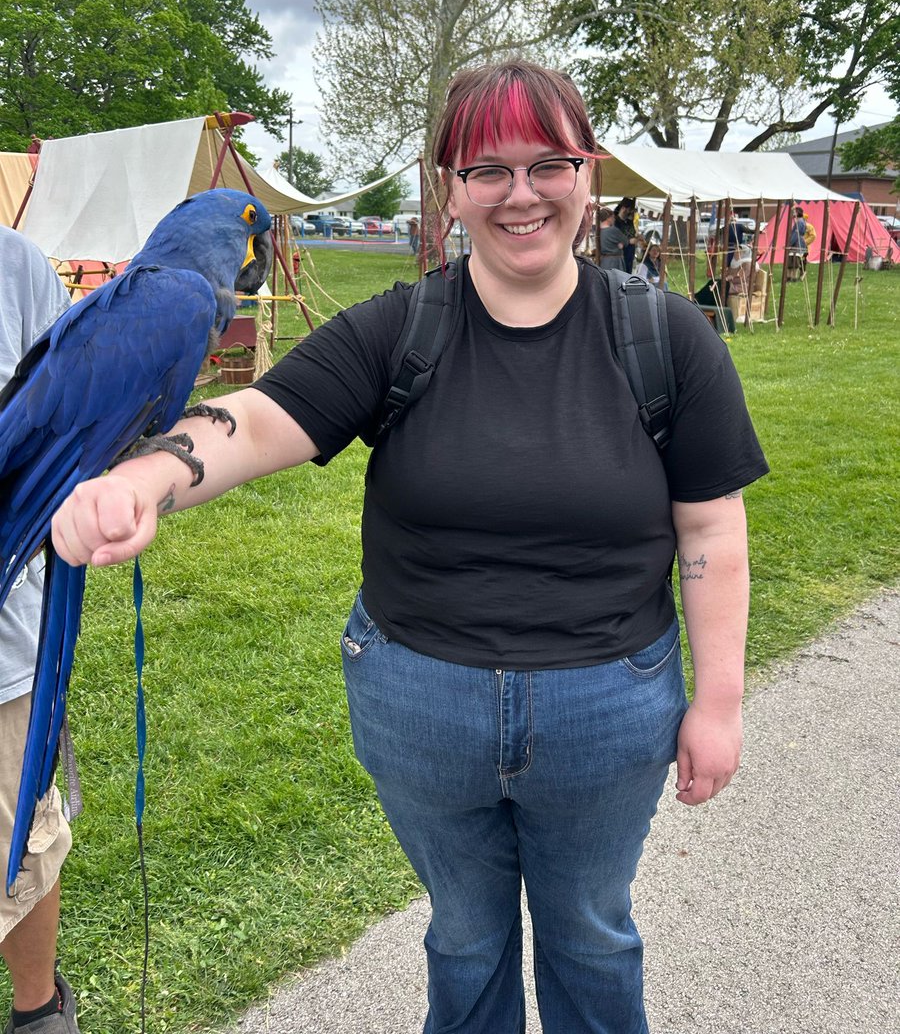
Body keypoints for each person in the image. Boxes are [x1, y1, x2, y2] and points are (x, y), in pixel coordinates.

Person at [51, 61, 768, 1034]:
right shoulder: (403, 328)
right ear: (451, 189)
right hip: (422, 711)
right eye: (488, 170)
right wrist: (145, 478)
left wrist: (718, 703)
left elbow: (712, 529)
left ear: (587, 173)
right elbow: (259, 421)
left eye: (547, 163)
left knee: (592, 936)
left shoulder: (667, 336)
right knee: (465, 938)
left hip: (605, 712)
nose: (520, 193)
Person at [0, 229, 79, 1033]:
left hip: (6, 643)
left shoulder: (16, 267)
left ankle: (40, 1015)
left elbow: (72, 429)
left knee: (21, 833)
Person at [613, 197, 639, 272]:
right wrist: (629, 241)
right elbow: (614, 238)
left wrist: (638, 237)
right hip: (620, 255)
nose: (632, 212)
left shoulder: (629, 222)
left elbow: (632, 234)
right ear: (624, 208)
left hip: (630, 254)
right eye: (630, 210)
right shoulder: (615, 222)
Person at [596, 205, 625, 270]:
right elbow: (626, 241)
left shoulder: (597, 230)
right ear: (608, 218)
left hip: (603, 262)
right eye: (613, 217)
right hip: (615, 262)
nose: (614, 219)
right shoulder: (614, 230)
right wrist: (620, 244)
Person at [787, 205, 808, 281]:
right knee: (791, 260)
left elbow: (796, 234)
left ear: (798, 213)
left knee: (794, 261)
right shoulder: (800, 221)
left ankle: (793, 277)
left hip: (797, 243)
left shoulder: (800, 222)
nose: (793, 213)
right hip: (797, 242)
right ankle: (790, 277)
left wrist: (789, 244)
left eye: (794, 212)